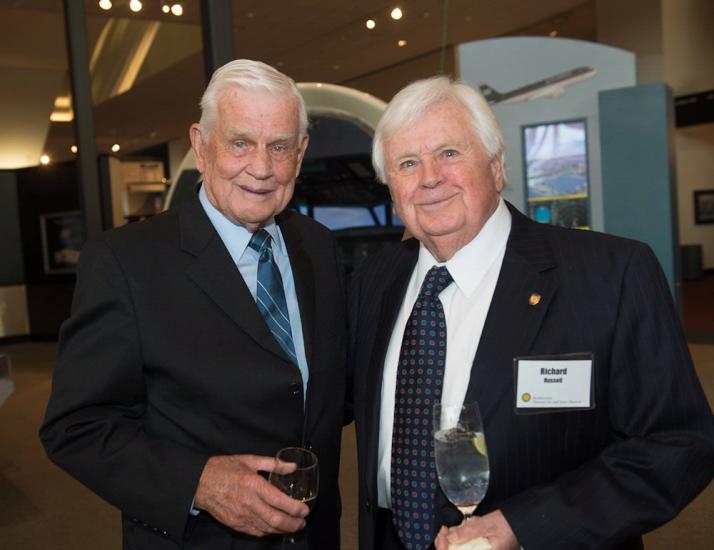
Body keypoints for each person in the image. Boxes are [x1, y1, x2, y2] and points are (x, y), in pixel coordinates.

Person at [347, 75, 714, 550]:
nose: (430, 177)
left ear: (497, 167)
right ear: (391, 189)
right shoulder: (374, 282)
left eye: (450, 154)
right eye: (408, 163)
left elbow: (679, 443)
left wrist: (525, 526)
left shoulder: (611, 275)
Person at [40, 59, 346, 549]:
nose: (262, 168)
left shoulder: (319, 248)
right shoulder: (126, 263)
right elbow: (75, 427)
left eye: (279, 146)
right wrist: (200, 483)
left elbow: (325, 394)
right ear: (201, 146)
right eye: (240, 143)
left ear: (301, 152)